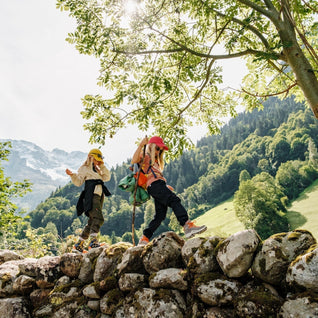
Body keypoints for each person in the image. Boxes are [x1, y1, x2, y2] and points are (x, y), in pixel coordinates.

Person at [131, 136, 207, 245]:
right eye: (157, 148)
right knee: (174, 200)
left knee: (160, 215)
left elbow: (155, 176)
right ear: (151, 146)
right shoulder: (146, 155)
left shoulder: (155, 161)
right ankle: (187, 225)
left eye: (160, 150)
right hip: (155, 185)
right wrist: (141, 145)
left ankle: (144, 238)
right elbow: (134, 160)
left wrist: (165, 186)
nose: (158, 152)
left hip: (157, 186)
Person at [66, 149, 111, 253]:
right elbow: (78, 182)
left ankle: (79, 244)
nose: (98, 161)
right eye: (96, 159)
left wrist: (102, 166)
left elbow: (107, 177)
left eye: (99, 160)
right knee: (98, 218)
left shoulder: (98, 170)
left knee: (92, 221)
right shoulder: (85, 168)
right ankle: (93, 241)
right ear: (91, 157)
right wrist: (72, 175)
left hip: (99, 196)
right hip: (91, 195)